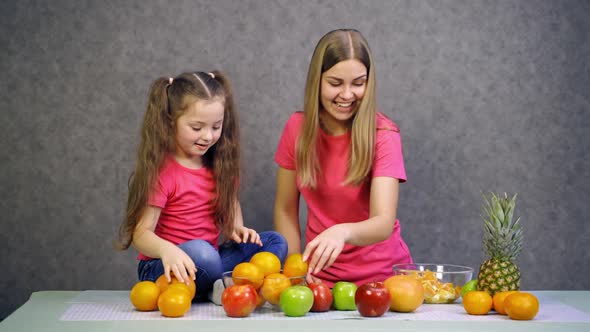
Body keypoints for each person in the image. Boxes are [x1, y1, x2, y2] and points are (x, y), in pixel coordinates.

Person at [117, 71, 287, 303]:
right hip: (164, 267)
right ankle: (225, 286)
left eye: (216, 126)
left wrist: (236, 226)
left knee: (274, 242)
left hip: (210, 261)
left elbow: (231, 202)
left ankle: (219, 286)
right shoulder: (162, 172)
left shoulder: (218, 166)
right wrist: (168, 250)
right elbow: (140, 234)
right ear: (169, 122)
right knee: (201, 252)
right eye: (197, 128)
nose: (208, 136)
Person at [274, 29, 413, 287]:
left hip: (381, 281)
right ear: (317, 80)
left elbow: (383, 222)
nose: (347, 95)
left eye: (358, 83)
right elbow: (285, 209)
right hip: (319, 280)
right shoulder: (297, 128)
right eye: (335, 83)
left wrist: (343, 231)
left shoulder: (383, 134)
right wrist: (295, 271)